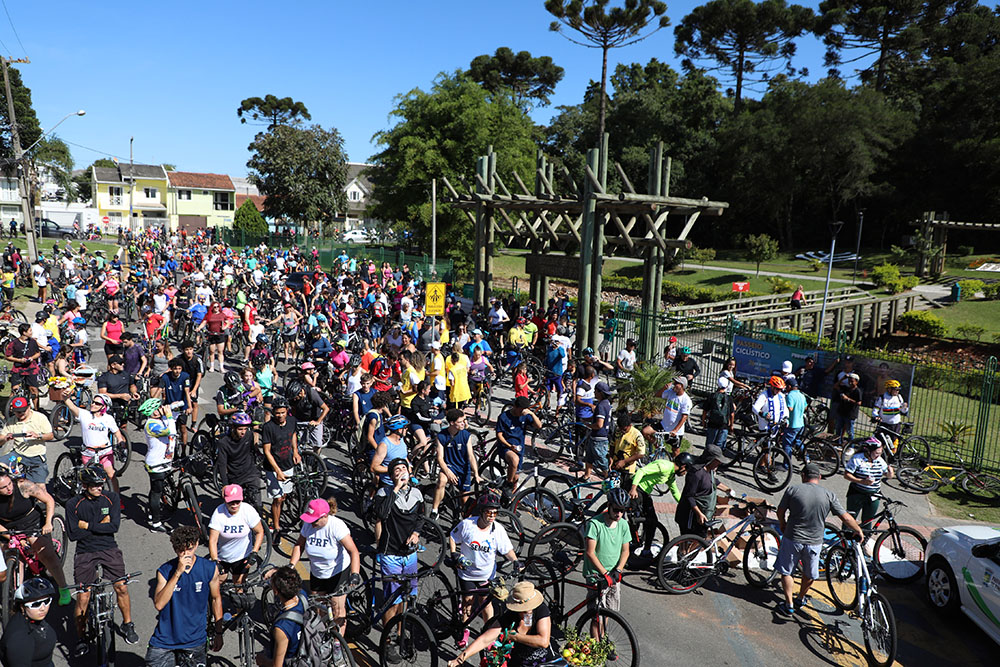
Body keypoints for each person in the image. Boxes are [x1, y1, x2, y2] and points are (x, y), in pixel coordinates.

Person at [65, 465, 139, 656]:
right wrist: (101, 524)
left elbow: (114, 527)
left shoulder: (111, 498)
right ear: (84, 485)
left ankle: (127, 624)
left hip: (109, 548)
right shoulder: (73, 504)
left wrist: (87, 525)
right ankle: (81, 638)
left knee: (121, 586)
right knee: (83, 596)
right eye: (95, 485)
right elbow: (73, 534)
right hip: (84, 551)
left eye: (101, 484)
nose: (100, 487)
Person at [775, 463, 863, 615]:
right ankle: (800, 598)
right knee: (809, 573)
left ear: (803, 476)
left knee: (787, 571)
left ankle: (788, 604)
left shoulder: (793, 489)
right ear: (820, 477)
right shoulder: (829, 495)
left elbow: (780, 511)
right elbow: (845, 517)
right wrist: (858, 530)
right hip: (814, 542)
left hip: (792, 537)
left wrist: (783, 524)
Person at [447, 491, 519, 649]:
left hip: (486, 575)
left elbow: (507, 549)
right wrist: (454, 553)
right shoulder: (467, 525)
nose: (492, 516)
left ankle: (489, 634)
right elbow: (453, 537)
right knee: (468, 601)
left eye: (495, 513)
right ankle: (464, 629)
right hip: (467, 574)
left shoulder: (498, 530)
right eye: (489, 512)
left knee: (486, 604)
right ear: (481, 511)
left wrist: (515, 561)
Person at [146, 526, 224, 667]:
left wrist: (219, 632)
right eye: (181, 551)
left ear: (196, 544)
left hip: (194, 641)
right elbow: (159, 604)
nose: (185, 554)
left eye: (190, 549)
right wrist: (177, 573)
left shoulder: (209, 569)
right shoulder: (165, 571)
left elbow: (216, 598)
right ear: (175, 549)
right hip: (165, 640)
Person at [374, 458, 426, 665]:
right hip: (391, 554)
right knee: (391, 600)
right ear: (391, 475)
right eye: (396, 470)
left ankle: (400, 630)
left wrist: (415, 533)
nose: (401, 472)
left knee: (407, 596)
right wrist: (395, 488)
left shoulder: (417, 493)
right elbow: (381, 514)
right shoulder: (384, 493)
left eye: (403, 468)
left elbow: (422, 518)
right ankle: (388, 638)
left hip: (410, 554)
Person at [289, 498, 361, 641]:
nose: (311, 523)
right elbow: (299, 545)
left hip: (337, 573)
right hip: (317, 572)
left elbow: (353, 551)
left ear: (325, 516)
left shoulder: (337, 527)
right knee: (319, 608)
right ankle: (320, 639)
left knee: (337, 611)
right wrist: (291, 565)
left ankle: (337, 645)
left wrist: (355, 574)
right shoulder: (308, 525)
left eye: (314, 520)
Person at [583, 488, 631, 629]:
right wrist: (605, 573)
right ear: (609, 505)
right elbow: (590, 553)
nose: (619, 514)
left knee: (608, 612)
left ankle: (602, 641)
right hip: (597, 575)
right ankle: (595, 646)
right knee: (596, 616)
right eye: (616, 510)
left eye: (622, 510)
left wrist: (618, 570)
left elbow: (625, 551)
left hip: (614, 576)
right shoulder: (595, 524)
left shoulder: (623, 524)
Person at [62, 394, 126, 497]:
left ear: (104, 407)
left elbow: (117, 432)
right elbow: (72, 406)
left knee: (111, 475)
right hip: (89, 452)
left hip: (105, 452)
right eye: (93, 402)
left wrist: (120, 441)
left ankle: (116, 498)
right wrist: (65, 397)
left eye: (97, 403)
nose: (93, 404)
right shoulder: (85, 415)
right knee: (90, 479)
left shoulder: (108, 418)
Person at [208, 484, 266, 586]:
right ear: (225, 500)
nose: (234, 505)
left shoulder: (248, 511)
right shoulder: (218, 513)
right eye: (231, 502)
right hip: (223, 556)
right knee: (219, 582)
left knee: (239, 583)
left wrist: (254, 552)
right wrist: (215, 560)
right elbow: (213, 540)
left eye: (237, 502)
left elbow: (259, 532)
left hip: (242, 556)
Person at [629, 453, 681, 558]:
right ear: (683, 467)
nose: (685, 474)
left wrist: (685, 504)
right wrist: (633, 489)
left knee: (652, 520)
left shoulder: (671, 474)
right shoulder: (664, 466)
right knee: (635, 519)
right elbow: (641, 471)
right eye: (686, 471)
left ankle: (646, 550)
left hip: (645, 492)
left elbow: (675, 491)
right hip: (637, 488)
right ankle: (630, 545)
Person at [432, 409, 480, 519]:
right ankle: (435, 510)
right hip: (449, 466)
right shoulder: (441, 436)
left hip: (463, 468)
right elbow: (440, 458)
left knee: (464, 502)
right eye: (461, 421)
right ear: (452, 423)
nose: (464, 423)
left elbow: (471, 456)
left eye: (464, 420)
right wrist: (448, 472)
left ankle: (464, 521)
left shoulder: (466, 435)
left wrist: (476, 474)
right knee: (442, 480)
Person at [261, 398, 300, 533]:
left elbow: (293, 435)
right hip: (273, 468)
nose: (280, 416)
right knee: (277, 499)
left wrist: (295, 451)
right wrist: (277, 470)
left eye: (283, 413)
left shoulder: (292, 421)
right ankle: (276, 527)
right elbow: (267, 451)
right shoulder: (268, 427)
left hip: (288, 464)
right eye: (277, 413)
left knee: (284, 496)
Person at [0, 578, 58, 667]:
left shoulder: (33, 616)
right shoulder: (19, 639)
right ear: (22, 606)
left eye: (46, 601)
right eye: (35, 604)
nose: (43, 608)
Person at [140, 398, 177, 533]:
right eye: (158, 408)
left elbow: (176, 417)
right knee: (156, 492)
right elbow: (170, 431)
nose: (160, 409)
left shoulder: (159, 420)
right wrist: (168, 415)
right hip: (155, 464)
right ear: (152, 411)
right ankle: (155, 522)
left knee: (158, 489)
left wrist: (173, 408)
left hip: (165, 461)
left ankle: (152, 511)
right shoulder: (151, 425)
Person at [0, 396, 54, 488]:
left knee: (40, 488)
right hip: (18, 454)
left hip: (36, 456)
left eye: (23, 411)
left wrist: (38, 436)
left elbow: (50, 436)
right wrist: (5, 438)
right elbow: (1, 440)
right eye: (17, 412)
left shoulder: (40, 418)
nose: (20, 414)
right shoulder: (11, 421)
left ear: (29, 407)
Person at [256, 566, 305, 667]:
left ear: (275, 591)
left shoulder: (281, 627)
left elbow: (277, 665)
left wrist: (262, 660)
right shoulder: (303, 597)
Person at [843, 437, 894, 531]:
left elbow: (886, 474)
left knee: (868, 520)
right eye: (876, 453)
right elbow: (846, 475)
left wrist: (890, 474)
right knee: (850, 519)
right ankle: (844, 540)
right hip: (857, 493)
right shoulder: (857, 459)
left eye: (880, 453)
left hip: (873, 495)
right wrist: (861, 481)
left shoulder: (879, 460)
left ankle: (864, 540)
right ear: (868, 451)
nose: (878, 455)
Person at [495, 396, 542, 489]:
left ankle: (510, 500)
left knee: (516, 478)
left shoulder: (525, 416)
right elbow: (499, 435)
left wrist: (531, 414)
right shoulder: (504, 417)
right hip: (506, 446)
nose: (522, 413)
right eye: (520, 410)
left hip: (519, 448)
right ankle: (507, 485)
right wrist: (509, 446)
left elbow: (539, 425)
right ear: (515, 407)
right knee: (514, 460)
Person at [215, 412, 260, 509]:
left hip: (250, 472)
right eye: (240, 429)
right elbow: (222, 464)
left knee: (257, 504)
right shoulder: (224, 443)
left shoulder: (249, 435)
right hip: (235, 476)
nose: (243, 432)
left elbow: (253, 451)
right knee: (236, 506)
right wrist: (225, 484)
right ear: (233, 428)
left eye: (245, 429)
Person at [5, 323, 42, 409]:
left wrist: (32, 358)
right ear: (24, 332)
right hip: (18, 369)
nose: (31, 332)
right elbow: (8, 356)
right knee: (15, 389)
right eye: (30, 330)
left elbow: (38, 353)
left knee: (34, 390)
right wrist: (19, 360)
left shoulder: (33, 342)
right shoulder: (14, 343)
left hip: (31, 369)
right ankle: (11, 408)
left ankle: (36, 409)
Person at [584, 382, 615, 481]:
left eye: (595, 391)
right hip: (597, 437)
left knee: (602, 461)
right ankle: (587, 475)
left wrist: (588, 425)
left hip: (599, 438)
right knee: (589, 457)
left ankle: (608, 478)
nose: (594, 392)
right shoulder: (607, 404)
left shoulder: (601, 406)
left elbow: (599, 424)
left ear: (600, 393)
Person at [658, 376, 693, 449]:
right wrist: (664, 388)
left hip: (675, 430)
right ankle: (659, 449)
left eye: (676, 383)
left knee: (675, 450)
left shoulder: (686, 400)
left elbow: (684, 417)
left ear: (682, 386)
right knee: (646, 431)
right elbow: (658, 395)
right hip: (664, 425)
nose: (674, 384)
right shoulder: (671, 392)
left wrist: (675, 430)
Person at [701, 377, 734, 450]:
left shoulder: (712, 396)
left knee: (710, 444)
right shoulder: (729, 398)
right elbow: (732, 414)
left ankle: (707, 459)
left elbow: (705, 411)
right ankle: (717, 460)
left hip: (712, 424)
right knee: (720, 446)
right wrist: (731, 425)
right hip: (724, 425)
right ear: (727, 386)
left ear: (717, 384)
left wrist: (703, 422)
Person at [834, 372, 862, 443]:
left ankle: (850, 445)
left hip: (850, 414)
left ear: (856, 382)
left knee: (850, 432)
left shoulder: (857, 391)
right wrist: (843, 378)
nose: (850, 383)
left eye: (852, 381)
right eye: (849, 381)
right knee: (838, 430)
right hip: (841, 412)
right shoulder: (846, 388)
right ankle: (838, 443)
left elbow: (859, 402)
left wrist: (848, 399)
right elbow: (836, 386)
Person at [783, 376, 808, 458]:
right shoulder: (802, 395)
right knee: (798, 441)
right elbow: (805, 407)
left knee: (787, 444)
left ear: (789, 386)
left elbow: (790, 408)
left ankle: (786, 465)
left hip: (792, 424)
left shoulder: (790, 396)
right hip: (801, 424)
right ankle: (806, 458)